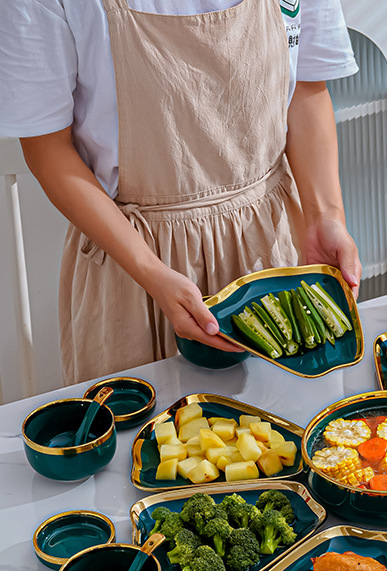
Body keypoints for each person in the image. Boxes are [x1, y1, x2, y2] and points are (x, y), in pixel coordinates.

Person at [0, 0, 362, 384]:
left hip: (271, 250)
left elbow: (305, 88)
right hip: (135, 266)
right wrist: (151, 272)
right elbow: (47, 150)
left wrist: (326, 217)